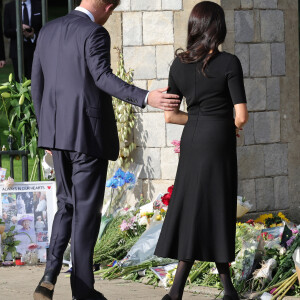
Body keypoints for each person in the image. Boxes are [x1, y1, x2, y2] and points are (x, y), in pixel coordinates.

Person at [31, 1, 180, 299]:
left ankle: (49, 275)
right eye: (112, 11)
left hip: (56, 134)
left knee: (66, 205)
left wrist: (46, 132)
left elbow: (38, 84)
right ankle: (83, 291)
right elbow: (102, 77)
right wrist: (146, 96)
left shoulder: (47, 30)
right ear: (107, 6)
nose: (109, 17)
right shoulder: (94, 33)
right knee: (85, 214)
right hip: (87, 135)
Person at [154, 2, 249, 300]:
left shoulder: (178, 64)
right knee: (217, 208)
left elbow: (170, 115)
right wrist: (227, 125)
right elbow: (241, 115)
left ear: (194, 27)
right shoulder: (229, 62)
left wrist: (198, 119)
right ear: (218, 27)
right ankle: (202, 290)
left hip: (192, 140)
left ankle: (220, 289)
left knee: (195, 207)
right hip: (219, 141)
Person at [4, 0, 42, 80]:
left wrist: (33, 35)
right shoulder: (9, 6)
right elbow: (6, 32)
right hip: (16, 51)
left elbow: (44, 28)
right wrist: (18, 29)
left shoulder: (39, 5)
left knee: (35, 80)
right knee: (19, 80)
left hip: (35, 49)